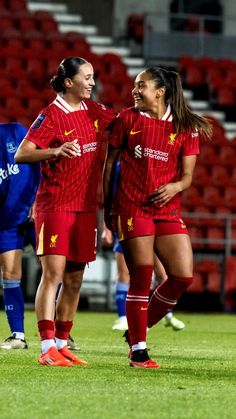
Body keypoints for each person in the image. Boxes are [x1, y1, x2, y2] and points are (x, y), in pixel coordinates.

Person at [103, 66, 212, 368]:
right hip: (131, 207)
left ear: (160, 91)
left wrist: (175, 186)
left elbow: (187, 176)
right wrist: (109, 210)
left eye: (141, 85)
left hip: (166, 208)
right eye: (134, 85)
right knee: (142, 275)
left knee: (182, 275)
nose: (134, 90)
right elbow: (109, 166)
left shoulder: (185, 127)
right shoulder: (126, 119)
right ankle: (139, 350)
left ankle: (139, 328)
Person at [15, 56, 115, 367]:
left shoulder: (94, 111)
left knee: (74, 279)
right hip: (55, 206)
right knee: (53, 275)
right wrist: (55, 151)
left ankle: (61, 343)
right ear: (68, 82)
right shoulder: (51, 116)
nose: (92, 82)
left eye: (93, 76)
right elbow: (22, 154)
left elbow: (124, 123)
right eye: (86, 77)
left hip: (86, 209)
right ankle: (46, 347)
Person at [0, 122, 40, 349]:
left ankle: (59, 332)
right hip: (5, 220)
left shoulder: (15, 131)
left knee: (52, 269)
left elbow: (40, 164)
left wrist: (38, 199)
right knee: (10, 273)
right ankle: (18, 336)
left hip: (35, 211)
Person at [103, 228, 185, 331]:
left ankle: (167, 315)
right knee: (123, 275)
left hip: (151, 226)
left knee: (162, 274)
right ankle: (123, 318)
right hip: (128, 225)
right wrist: (107, 228)